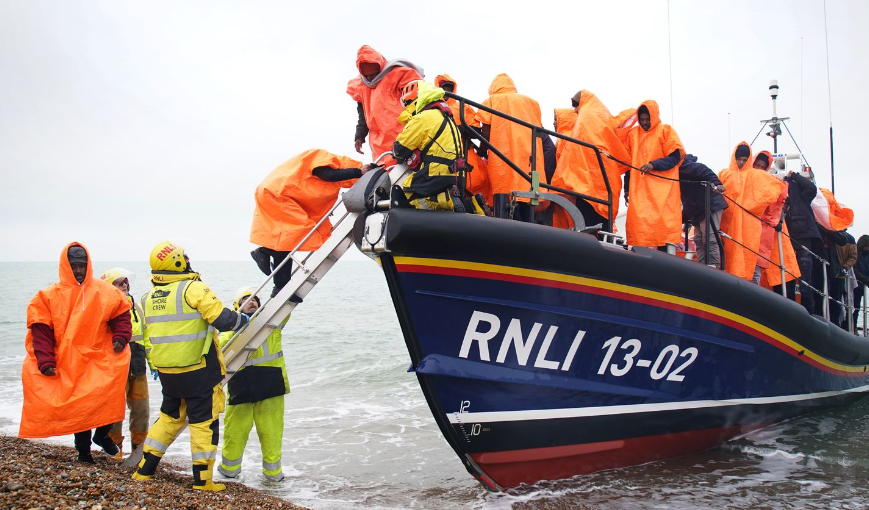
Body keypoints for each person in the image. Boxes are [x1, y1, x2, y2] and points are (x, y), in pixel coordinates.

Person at [132, 241, 251, 492]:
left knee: (169, 418)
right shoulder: (193, 289)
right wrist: (243, 319)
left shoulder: (148, 297)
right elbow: (223, 320)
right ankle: (203, 481)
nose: (187, 260)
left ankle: (144, 470)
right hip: (198, 371)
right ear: (177, 262)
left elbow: (149, 334)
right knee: (203, 422)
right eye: (183, 257)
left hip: (168, 373)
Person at [20, 243, 132, 464]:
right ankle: (84, 452)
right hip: (68, 360)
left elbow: (121, 315)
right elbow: (40, 331)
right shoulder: (47, 296)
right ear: (65, 266)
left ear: (88, 265)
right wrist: (45, 361)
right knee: (80, 407)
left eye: (82, 266)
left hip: (100, 356)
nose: (79, 271)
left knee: (108, 397)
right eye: (74, 266)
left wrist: (121, 337)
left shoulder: (105, 291)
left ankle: (102, 435)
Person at [250, 150, 370, 297]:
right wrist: (358, 171)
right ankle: (265, 252)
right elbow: (329, 175)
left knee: (286, 243)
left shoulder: (319, 162)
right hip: (277, 194)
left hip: (276, 193)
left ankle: (281, 288)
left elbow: (314, 185)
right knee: (291, 237)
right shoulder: (323, 158)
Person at [217, 288, 290, 481]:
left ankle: (273, 474)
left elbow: (287, 308)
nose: (252, 302)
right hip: (242, 385)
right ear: (236, 306)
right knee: (235, 430)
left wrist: (282, 290)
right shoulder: (230, 328)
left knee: (272, 431)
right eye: (246, 299)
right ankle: (228, 470)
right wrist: (239, 327)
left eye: (255, 299)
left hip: (270, 383)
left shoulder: (272, 322)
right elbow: (221, 347)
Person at [392, 81, 483, 214]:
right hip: (458, 175)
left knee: (408, 192)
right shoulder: (447, 118)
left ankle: (448, 201)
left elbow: (399, 149)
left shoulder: (423, 118)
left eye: (406, 103)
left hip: (437, 173)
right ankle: (471, 206)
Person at [552, 90, 634, 232]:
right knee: (600, 223)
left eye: (575, 106)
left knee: (589, 223)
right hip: (603, 178)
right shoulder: (600, 114)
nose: (575, 111)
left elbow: (578, 151)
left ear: (580, 103)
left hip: (589, 181)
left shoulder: (586, 117)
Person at [475, 73, 551, 221]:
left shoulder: (491, 101)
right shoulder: (531, 103)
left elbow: (486, 131)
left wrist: (482, 150)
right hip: (529, 160)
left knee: (506, 197)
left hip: (504, 159)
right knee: (526, 197)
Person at [101, 268, 151, 458]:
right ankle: (114, 451)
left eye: (125, 282)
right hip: (113, 365)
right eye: (119, 282)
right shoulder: (104, 308)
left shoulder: (135, 306)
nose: (124, 285)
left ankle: (139, 452)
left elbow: (146, 336)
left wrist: (153, 364)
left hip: (137, 363)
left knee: (141, 409)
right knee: (114, 410)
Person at [718, 143, 785, 282]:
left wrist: (772, 218)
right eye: (739, 159)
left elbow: (779, 190)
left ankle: (750, 296)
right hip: (727, 225)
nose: (741, 162)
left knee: (750, 260)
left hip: (749, 228)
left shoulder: (757, 175)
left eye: (744, 159)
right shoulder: (724, 174)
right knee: (728, 259)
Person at [623, 100, 685, 248]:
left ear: (654, 116)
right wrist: (626, 189)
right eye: (642, 119)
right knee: (639, 232)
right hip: (640, 193)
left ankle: (665, 265)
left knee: (664, 233)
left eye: (647, 119)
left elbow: (675, 156)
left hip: (663, 194)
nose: (645, 123)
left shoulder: (665, 131)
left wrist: (653, 165)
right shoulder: (632, 135)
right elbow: (627, 164)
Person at [347, 45, 423, 162]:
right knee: (387, 175)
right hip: (379, 143)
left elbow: (417, 100)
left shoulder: (399, 74)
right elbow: (363, 116)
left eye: (374, 73)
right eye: (367, 75)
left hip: (405, 135)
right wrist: (359, 136)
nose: (371, 78)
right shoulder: (359, 87)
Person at [434, 74, 491, 203]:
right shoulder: (433, 107)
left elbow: (476, 130)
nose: (447, 90)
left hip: (463, 151)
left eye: (450, 87)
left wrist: (457, 129)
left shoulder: (462, 107)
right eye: (444, 87)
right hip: (441, 154)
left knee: (479, 179)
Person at [677, 154, 727, 268]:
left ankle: (714, 268)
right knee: (699, 240)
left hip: (710, 205)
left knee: (710, 238)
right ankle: (702, 267)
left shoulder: (686, 166)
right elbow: (687, 200)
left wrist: (717, 183)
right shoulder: (677, 172)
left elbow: (705, 171)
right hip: (698, 209)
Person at [783, 169, 822, 313]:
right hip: (785, 243)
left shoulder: (801, 195)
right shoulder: (776, 196)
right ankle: (791, 314)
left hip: (802, 241)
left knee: (805, 284)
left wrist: (794, 176)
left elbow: (811, 188)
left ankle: (809, 315)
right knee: (787, 284)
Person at [853, 235, 869, 328]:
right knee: (853, 307)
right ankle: (851, 325)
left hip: (861, 285)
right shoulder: (856, 253)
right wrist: (865, 279)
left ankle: (854, 326)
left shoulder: (867, 256)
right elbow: (854, 270)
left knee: (857, 307)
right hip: (855, 284)